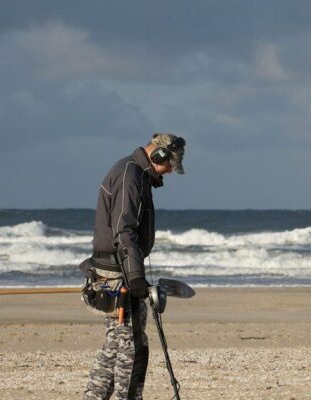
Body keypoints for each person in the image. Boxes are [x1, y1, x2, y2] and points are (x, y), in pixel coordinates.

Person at [83, 133, 186, 400]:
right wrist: (136, 278)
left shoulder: (133, 171)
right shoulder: (131, 176)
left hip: (112, 270)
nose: (169, 172)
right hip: (120, 275)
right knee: (133, 348)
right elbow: (124, 230)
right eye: (169, 165)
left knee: (116, 344)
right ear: (158, 156)